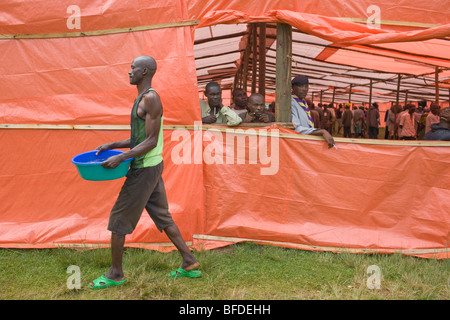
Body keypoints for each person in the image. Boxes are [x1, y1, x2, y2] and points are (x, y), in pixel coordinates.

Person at [89, 56, 200, 289]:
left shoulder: (150, 98)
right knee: (162, 216)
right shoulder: (142, 98)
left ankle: (115, 274)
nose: (129, 72)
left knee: (118, 220)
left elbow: (150, 141)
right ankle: (189, 261)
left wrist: (121, 157)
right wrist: (113, 145)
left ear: (145, 71)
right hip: (152, 166)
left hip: (144, 169)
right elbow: (140, 138)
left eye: (133, 68)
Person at [290, 75, 334, 148]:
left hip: (304, 143)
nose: (304, 89)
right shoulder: (290, 103)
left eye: (306, 86)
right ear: (293, 87)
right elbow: (296, 128)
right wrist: (322, 131)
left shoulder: (303, 103)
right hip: (296, 144)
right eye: (300, 86)